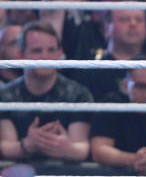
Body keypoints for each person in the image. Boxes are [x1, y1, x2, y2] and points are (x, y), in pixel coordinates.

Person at [0, 21, 93, 162]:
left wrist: (65, 148)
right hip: (19, 176)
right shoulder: (5, 95)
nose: (45, 56)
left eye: (51, 50)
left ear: (60, 53)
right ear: (21, 55)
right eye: (37, 50)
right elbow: (6, 146)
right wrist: (28, 145)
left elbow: (82, 148)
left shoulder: (78, 94)